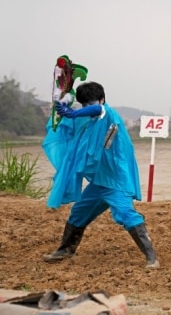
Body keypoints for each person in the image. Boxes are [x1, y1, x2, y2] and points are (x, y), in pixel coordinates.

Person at [41, 81, 159, 269]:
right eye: (84, 104)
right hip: (99, 182)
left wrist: (74, 113)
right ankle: (65, 250)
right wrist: (63, 109)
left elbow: (97, 109)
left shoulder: (108, 113)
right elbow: (72, 128)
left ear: (102, 99)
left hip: (116, 181)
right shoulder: (88, 121)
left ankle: (151, 258)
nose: (88, 107)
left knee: (126, 214)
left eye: (91, 103)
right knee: (78, 212)